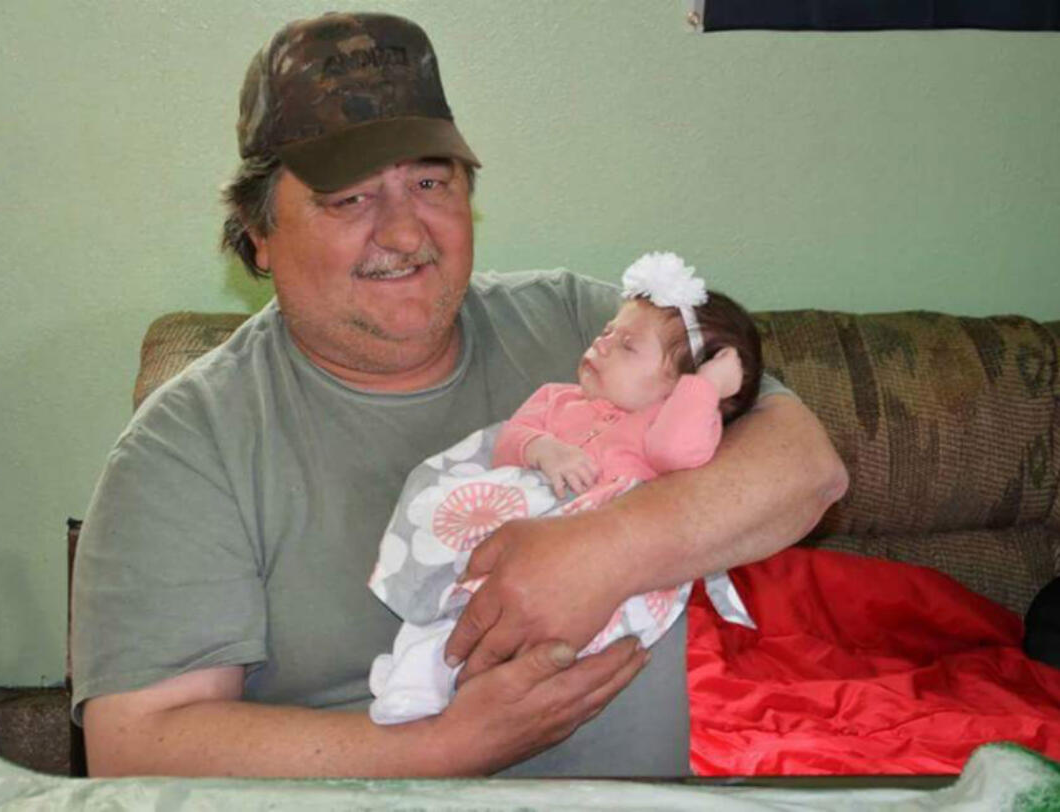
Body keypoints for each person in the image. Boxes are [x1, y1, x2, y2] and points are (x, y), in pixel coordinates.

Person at [72, 11, 848, 778]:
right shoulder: (186, 446)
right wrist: (441, 751)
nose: (407, 234)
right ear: (259, 232)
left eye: (430, 182)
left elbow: (807, 468)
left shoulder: (588, 330)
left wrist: (606, 552)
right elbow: (138, 743)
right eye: (350, 198)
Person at [368, 252, 763, 725]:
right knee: (447, 601)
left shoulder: (665, 426)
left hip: (577, 573)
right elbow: (508, 442)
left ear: (678, 387)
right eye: (607, 332)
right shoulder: (559, 399)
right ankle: (413, 670)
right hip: (503, 534)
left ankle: (436, 678)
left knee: (518, 634)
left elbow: (678, 453)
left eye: (628, 346)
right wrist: (543, 449)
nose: (603, 344)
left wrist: (702, 390)